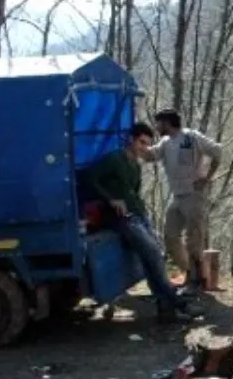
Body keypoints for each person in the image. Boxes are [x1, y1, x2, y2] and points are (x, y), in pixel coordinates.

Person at [87, 122, 199, 324]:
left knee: (155, 255)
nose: (144, 148)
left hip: (138, 215)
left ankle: (165, 309)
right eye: (141, 142)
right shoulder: (115, 159)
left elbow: (134, 193)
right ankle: (177, 303)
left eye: (148, 145)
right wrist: (110, 199)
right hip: (119, 218)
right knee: (153, 253)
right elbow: (91, 179)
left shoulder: (135, 166)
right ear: (132, 140)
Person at [146, 109, 222, 293]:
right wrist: (135, 146)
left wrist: (207, 177)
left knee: (194, 240)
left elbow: (217, 150)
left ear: (167, 122)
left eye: (159, 123)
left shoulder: (191, 137)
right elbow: (150, 155)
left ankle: (196, 281)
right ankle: (189, 272)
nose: (157, 127)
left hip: (193, 195)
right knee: (170, 236)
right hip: (177, 196)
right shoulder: (165, 143)